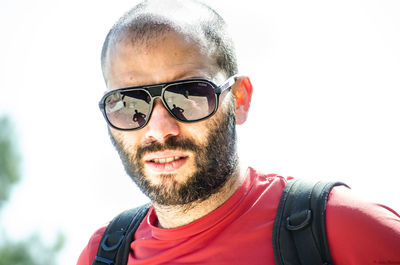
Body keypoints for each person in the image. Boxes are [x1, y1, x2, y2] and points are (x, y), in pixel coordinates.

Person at [78, 0, 400, 264]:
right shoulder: (101, 256)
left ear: (240, 99)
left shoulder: (339, 228)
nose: (159, 130)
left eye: (189, 95)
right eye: (129, 102)